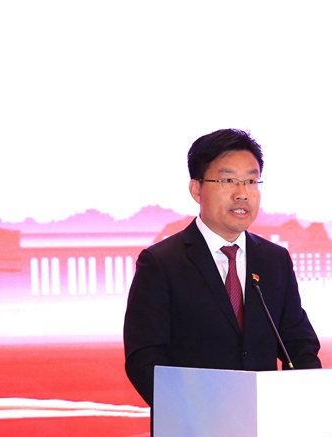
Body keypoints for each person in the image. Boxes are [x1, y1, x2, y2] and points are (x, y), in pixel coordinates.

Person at [123, 127, 321, 412]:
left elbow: (299, 345)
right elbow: (144, 358)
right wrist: (192, 414)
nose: (242, 194)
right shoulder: (161, 263)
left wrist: (306, 402)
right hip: (194, 428)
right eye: (228, 181)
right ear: (196, 189)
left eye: (251, 181)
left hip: (265, 424)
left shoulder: (274, 260)